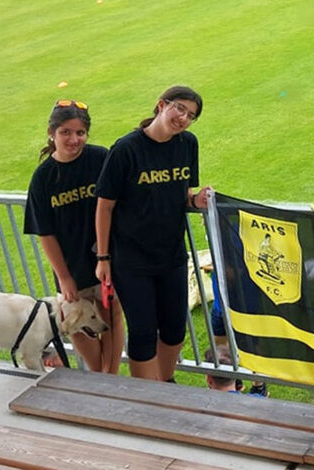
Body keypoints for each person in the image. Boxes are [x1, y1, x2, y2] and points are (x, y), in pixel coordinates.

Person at [95, 86, 211, 382]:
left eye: (191, 115)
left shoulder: (187, 144)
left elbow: (183, 194)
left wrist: (196, 200)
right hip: (131, 260)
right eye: (179, 108)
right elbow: (105, 206)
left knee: (174, 329)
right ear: (161, 105)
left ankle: (165, 383)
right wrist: (103, 258)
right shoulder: (126, 149)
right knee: (144, 332)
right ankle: (147, 396)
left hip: (172, 254)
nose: (183, 118)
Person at [24, 100, 125, 374]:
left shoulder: (100, 158)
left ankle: (111, 375)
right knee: (77, 322)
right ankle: (98, 375)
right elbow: (45, 233)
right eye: (66, 132)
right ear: (51, 133)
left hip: (107, 258)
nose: (74, 139)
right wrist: (64, 277)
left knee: (111, 315)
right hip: (71, 266)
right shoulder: (43, 178)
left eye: (80, 133)